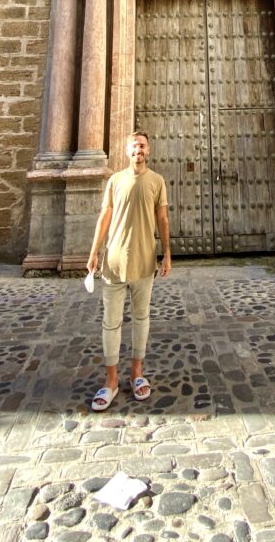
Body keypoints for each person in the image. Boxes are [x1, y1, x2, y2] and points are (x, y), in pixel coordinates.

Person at [86, 130, 171, 411]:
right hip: (113, 263)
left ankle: (136, 373)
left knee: (141, 318)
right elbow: (105, 216)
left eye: (142, 145)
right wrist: (93, 252)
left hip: (145, 262)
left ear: (149, 150)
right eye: (134, 145)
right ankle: (111, 380)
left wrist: (167, 253)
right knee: (110, 322)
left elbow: (163, 218)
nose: (138, 149)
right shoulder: (115, 180)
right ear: (126, 151)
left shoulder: (157, 181)